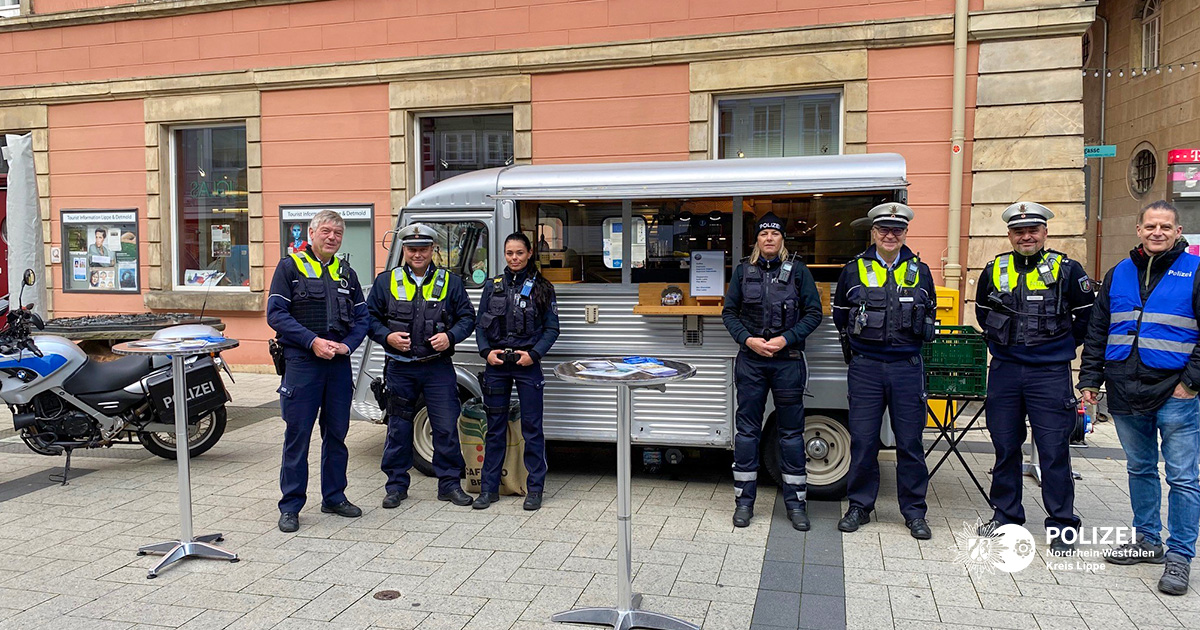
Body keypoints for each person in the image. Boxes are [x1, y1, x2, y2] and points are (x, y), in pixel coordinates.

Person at [1079, 200, 1200, 596]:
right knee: (1141, 468)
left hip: (1175, 391)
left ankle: (1180, 555)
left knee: (1183, 477)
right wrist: (1090, 379)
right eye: (1151, 226)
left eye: (1166, 226)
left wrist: (1191, 383)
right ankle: (1148, 540)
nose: (1157, 232)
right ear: (1139, 229)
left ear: (1177, 231)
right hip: (1125, 387)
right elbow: (1098, 331)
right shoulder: (1119, 274)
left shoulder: (1195, 271)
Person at [974, 202, 1094, 553]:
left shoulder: (1068, 269)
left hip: (1050, 373)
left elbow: (1085, 317)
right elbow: (983, 312)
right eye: (1018, 231)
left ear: (1044, 233)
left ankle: (1062, 525)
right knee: (1005, 447)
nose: (1026, 236)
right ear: (1009, 234)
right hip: (1006, 371)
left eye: (1033, 230)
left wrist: (1057, 347)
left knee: (1054, 450)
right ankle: (1006, 515)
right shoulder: (994, 268)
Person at [832, 203, 936, 539]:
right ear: (873, 233)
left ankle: (914, 512)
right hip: (866, 367)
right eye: (883, 230)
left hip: (907, 367)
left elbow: (930, 311)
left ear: (905, 232)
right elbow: (840, 316)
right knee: (863, 441)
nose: (890, 235)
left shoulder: (921, 270)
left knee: (909, 443)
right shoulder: (853, 269)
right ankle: (860, 506)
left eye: (897, 230)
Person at [266, 210, 368, 533]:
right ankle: (291, 505)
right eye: (326, 231)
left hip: (337, 365)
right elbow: (276, 314)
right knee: (298, 435)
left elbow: (363, 319)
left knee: (337, 434)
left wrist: (346, 346)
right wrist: (312, 342)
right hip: (302, 364)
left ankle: (334, 496)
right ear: (311, 233)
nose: (332, 238)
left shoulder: (346, 273)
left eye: (338, 233)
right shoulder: (290, 268)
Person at [722, 212, 823, 530]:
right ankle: (744, 503)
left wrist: (785, 339)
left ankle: (796, 505)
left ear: (782, 239)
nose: (769, 238)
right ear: (757, 239)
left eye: (774, 234)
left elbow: (813, 313)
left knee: (791, 434)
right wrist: (748, 340)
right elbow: (728, 313)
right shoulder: (743, 271)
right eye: (764, 233)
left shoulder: (798, 272)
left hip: (788, 361)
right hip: (751, 362)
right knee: (747, 433)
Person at [367, 223, 477, 509]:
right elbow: (368, 319)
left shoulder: (450, 281)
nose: (418, 254)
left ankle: (450, 485)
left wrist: (450, 336)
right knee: (398, 429)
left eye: (423, 249)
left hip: (437, 368)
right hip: (400, 368)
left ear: (432, 250)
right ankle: (395, 486)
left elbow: (467, 317)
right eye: (412, 249)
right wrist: (387, 336)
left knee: (445, 428)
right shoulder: (385, 281)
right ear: (404, 250)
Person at [472, 232, 560, 511]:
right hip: (497, 366)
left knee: (532, 429)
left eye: (519, 253)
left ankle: (535, 489)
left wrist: (533, 355)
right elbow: (480, 326)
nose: (514, 258)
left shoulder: (543, 287)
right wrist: (487, 352)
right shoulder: (492, 287)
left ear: (529, 252)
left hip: (527, 366)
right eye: (509, 253)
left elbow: (552, 329)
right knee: (494, 430)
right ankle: (488, 489)